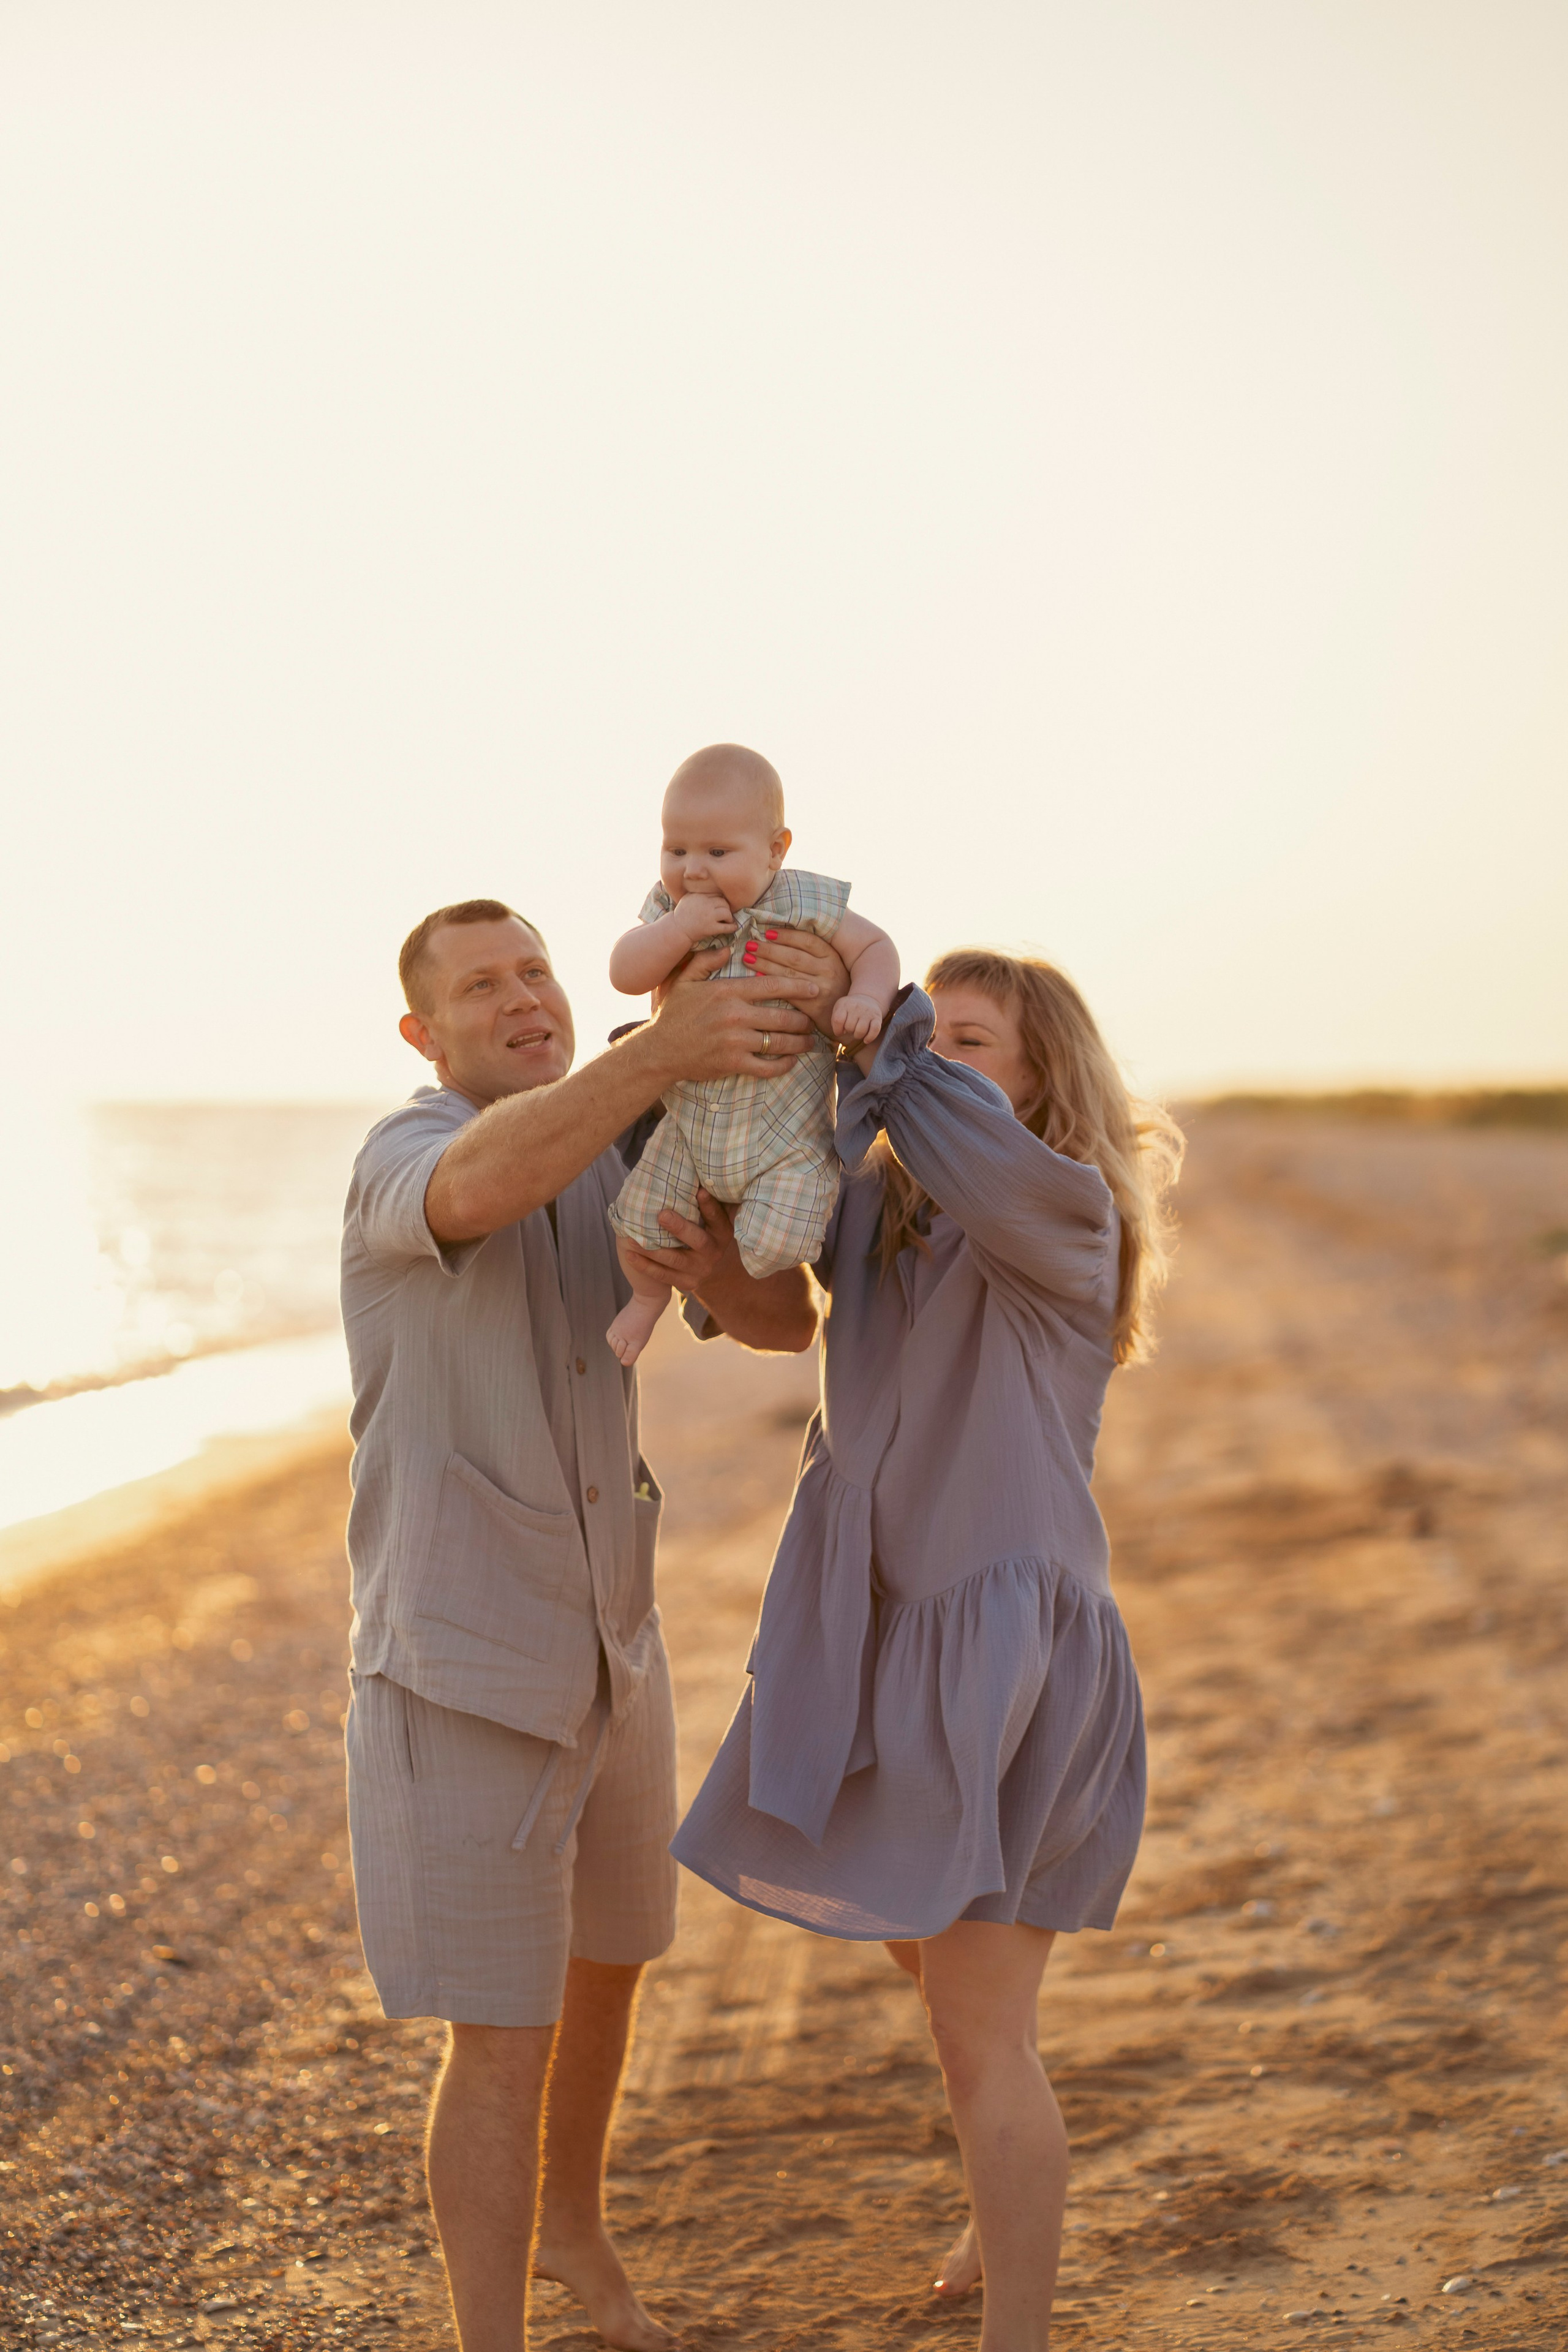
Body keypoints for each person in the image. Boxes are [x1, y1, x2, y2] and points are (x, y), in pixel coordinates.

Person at [673, 948, 1184, 2352]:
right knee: (924, 1943)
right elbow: (788, 1316)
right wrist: (710, 1256)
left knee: (977, 2026)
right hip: (876, 1628)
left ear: (1039, 1079)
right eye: (932, 1037)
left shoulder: (1061, 1211)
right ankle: (993, 2145)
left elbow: (903, 1080)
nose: (932, 1059)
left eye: (970, 1042)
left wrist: (877, 991)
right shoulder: (890, 1209)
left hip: (1002, 1650)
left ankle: (1013, 2319)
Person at [338, 897, 824, 2352]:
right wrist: (660, 1053)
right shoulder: (404, 1151)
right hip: (462, 1658)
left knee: (609, 1960)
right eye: (481, 985)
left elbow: (778, 1321)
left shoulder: (617, 1138)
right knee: (498, 2029)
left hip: (615, 1635)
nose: (524, 995)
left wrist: (709, 1228)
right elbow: (482, 1186)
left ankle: (575, 2237)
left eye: (535, 968)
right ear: (426, 1033)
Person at [604, 742, 899, 1366]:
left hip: (784, 1129)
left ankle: (750, 1249)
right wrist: (674, 932)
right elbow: (625, 974)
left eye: (717, 851)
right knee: (642, 1226)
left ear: (776, 850)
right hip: (689, 1126)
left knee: (775, 1238)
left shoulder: (800, 901)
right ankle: (647, 1302)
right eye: (675, 849)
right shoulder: (667, 912)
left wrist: (866, 1000)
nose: (693, 870)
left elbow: (875, 946)